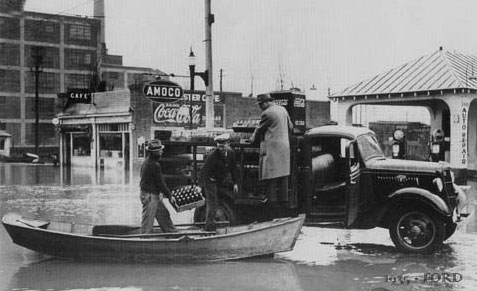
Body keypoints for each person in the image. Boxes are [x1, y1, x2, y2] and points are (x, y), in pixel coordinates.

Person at [250, 93, 293, 204]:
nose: (260, 107)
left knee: (271, 179)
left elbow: (259, 129)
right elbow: (291, 127)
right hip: (284, 149)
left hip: (272, 150)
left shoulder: (267, 113)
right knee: (283, 177)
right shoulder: (283, 110)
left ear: (266, 103)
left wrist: (252, 140)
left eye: (260, 104)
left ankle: (271, 206)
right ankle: (284, 204)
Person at [199, 133, 239, 231]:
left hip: (220, 180)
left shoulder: (231, 153)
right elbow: (204, 171)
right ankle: (209, 228)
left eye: (223, 146)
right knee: (212, 203)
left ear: (228, 144)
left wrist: (235, 183)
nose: (221, 149)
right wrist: (200, 186)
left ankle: (213, 223)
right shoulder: (212, 156)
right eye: (219, 146)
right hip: (210, 180)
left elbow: (233, 168)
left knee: (218, 201)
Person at [139, 139, 177, 234]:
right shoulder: (154, 165)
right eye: (160, 151)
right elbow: (161, 183)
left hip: (152, 194)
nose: (162, 152)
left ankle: (172, 234)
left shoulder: (146, 162)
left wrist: (159, 193)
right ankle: (142, 242)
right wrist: (170, 196)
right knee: (148, 222)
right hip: (150, 196)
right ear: (155, 153)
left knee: (164, 215)